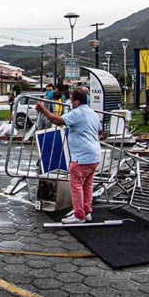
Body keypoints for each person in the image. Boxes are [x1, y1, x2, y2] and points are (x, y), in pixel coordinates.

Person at [36, 87, 103, 224]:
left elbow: (57, 120)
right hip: (94, 155)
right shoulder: (93, 113)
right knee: (87, 185)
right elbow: (100, 132)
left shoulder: (77, 113)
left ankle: (79, 215)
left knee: (76, 186)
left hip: (81, 156)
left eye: (72, 100)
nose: (70, 103)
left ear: (77, 101)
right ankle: (87, 211)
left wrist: (43, 110)